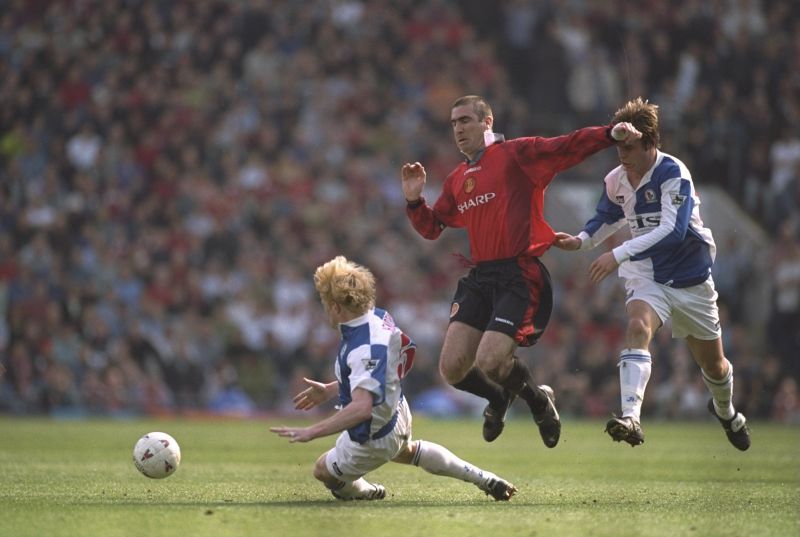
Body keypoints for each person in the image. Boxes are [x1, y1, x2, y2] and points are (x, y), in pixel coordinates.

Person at [401, 94, 641, 446]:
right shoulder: (457, 179)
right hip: (481, 276)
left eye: (466, 120)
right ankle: (498, 399)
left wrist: (609, 134)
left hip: (519, 273)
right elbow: (433, 227)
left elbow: (566, 147)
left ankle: (539, 401)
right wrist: (413, 200)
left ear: (488, 122)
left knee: (490, 360)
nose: (459, 128)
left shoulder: (516, 154)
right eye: (454, 123)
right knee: (452, 369)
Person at [553, 97, 751, 451]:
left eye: (629, 146)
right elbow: (605, 217)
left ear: (650, 142)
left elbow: (673, 231)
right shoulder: (615, 179)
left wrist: (618, 252)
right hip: (646, 273)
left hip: (691, 278)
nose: (621, 154)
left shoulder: (673, 173)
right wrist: (581, 241)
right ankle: (631, 417)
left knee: (716, 368)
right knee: (637, 326)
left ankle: (727, 412)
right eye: (617, 146)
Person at [270, 255, 517, 501]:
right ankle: (484, 478)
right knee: (408, 451)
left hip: (372, 436)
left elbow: (361, 408)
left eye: (325, 303)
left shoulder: (362, 348)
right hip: (397, 408)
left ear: (335, 307)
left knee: (323, 470)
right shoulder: (379, 317)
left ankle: (366, 491)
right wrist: (330, 389)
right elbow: (384, 367)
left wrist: (313, 431)